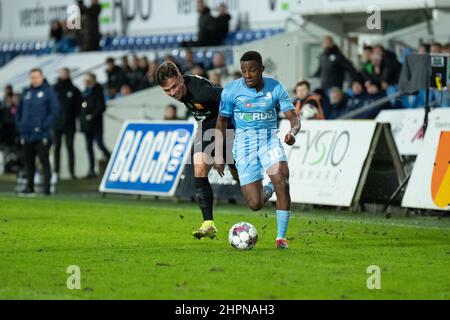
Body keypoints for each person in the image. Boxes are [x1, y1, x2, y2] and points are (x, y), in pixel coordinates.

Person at [214, 51, 301, 249]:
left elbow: (293, 117)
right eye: (244, 71)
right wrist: (218, 153)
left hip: (269, 141)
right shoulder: (231, 91)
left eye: (252, 70)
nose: (247, 75)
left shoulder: (275, 87)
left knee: (283, 179)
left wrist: (293, 131)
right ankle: (269, 188)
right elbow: (222, 121)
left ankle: (281, 237)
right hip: (244, 146)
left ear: (261, 68)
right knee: (255, 204)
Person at [155, 61, 238, 239]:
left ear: (180, 78)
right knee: (198, 168)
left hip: (228, 126)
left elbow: (229, 99)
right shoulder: (183, 90)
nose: (173, 93)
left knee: (240, 177)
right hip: (206, 128)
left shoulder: (202, 91)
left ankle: (264, 190)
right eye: (167, 91)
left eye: (174, 87)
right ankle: (208, 223)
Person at [16, 69, 59, 195]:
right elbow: (19, 111)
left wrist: (44, 126)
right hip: (27, 133)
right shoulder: (26, 92)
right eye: (32, 77)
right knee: (28, 162)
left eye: (36, 77)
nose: (34, 79)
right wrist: (20, 125)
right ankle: (30, 188)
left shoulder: (48, 92)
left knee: (44, 161)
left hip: (42, 134)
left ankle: (47, 189)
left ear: (42, 77)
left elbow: (55, 111)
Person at [53, 68, 82, 180]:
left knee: (70, 148)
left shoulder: (74, 90)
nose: (64, 75)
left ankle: (72, 172)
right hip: (56, 124)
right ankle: (56, 172)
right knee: (57, 148)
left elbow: (80, 106)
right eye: (63, 73)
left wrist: (75, 116)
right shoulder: (54, 89)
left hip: (70, 124)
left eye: (66, 73)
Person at [80, 73, 110, 178]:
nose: (86, 82)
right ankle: (91, 169)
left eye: (88, 80)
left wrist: (92, 116)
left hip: (96, 124)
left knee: (100, 144)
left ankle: (112, 160)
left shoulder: (97, 90)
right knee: (89, 148)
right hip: (86, 125)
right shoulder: (85, 92)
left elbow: (101, 106)